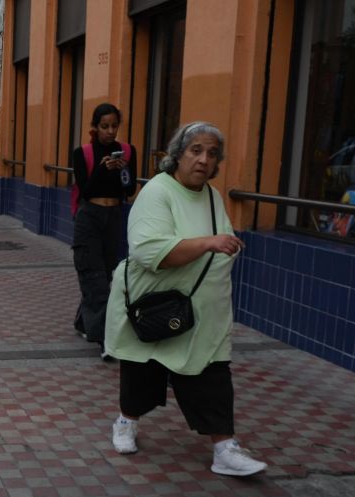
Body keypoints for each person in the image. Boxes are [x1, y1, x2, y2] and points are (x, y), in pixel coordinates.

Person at [104, 121, 267, 476]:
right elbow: (149, 251)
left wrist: (218, 248)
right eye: (195, 150)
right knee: (142, 367)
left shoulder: (212, 196)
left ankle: (225, 449)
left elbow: (225, 243)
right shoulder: (157, 191)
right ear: (176, 154)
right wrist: (208, 244)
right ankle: (125, 422)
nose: (203, 160)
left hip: (201, 312)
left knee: (211, 373)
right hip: (153, 304)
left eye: (211, 153)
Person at [72, 103, 137, 360]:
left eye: (114, 126)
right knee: (94, 276)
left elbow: (130, 189)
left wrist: (123, 168)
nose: (110, 132)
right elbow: (85, 191)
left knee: (108, 273)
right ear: (95, 127)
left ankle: (82, 321)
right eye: (105, 126)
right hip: (89, 217)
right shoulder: (83, 153)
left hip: (115, 218)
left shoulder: (128, 152)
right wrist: (101, 168)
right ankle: (105, 341)